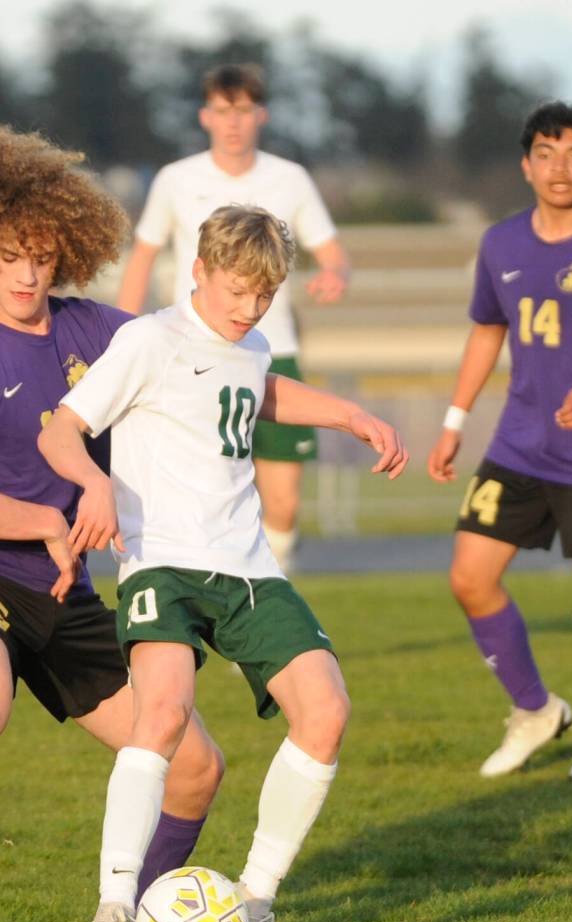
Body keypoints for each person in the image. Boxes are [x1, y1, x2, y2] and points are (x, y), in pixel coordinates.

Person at [39, 204, 408, 922]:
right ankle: (114, 905)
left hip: (245, 566)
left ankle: (254, 904)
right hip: (162, 563)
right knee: (165, 712)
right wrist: (93, 484)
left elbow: (255, 391)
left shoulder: (253, 343)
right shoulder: (148, 340)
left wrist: (349, 416)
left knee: (328, 712)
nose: (248, 310)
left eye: (264, 296)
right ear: (199, 270)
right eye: (237, 291)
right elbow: (60, 428)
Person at [0, 126, 224, 922]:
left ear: (64, 250)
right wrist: (41, 520)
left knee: (193, 766)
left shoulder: (99, 331)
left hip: (69, 597)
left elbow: (204, 363)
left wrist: (330, 407)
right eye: (10, 256)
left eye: (42, 256)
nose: (27, 275)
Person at [117, 63, 350, 574]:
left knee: (282, 504)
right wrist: (118, 332)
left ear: (260, 114)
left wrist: (334, 272)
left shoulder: (289, 178)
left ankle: (268, 598)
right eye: (223, 110)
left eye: (243, 110)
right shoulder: (176, 179)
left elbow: (332, 251)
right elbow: (143, 256)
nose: (233, 122)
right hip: (191, 354)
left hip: (273, 353)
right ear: (205, 115)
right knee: (204, 493)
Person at [427, 100, 572, 780]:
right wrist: (454, 421)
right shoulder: (502, 243)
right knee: (469, 578)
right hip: (519, 446)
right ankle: (535, 710)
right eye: (547, 154)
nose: (561, 168)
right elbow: (488, 330)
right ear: (526, 166)